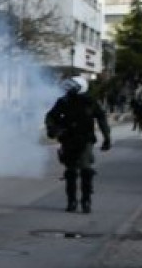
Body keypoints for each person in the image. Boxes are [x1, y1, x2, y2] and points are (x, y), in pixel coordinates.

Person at [44, 76, 113, 213]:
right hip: (68, 139)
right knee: (70, 172)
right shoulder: (63, 101)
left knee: (85, 170)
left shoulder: (90, 102)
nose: (68, 89)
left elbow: (102, 119)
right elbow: (51, 117)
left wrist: (107, 137)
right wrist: (53, 129)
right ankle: (72, 201)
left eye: (72, 87)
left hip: (85, 140)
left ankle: (86, 201)